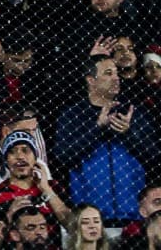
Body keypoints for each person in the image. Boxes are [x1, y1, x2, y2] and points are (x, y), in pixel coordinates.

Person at [56, 56, 156, 227]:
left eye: (117, 72)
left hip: (134, 219)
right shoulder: (73, 115)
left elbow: (154, 156)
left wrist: (128, 133)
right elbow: (63, 157)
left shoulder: (133, 113)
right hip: (90, 221)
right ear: (91, 80)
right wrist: (97, 128)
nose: (116, 78)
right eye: (108, 73)